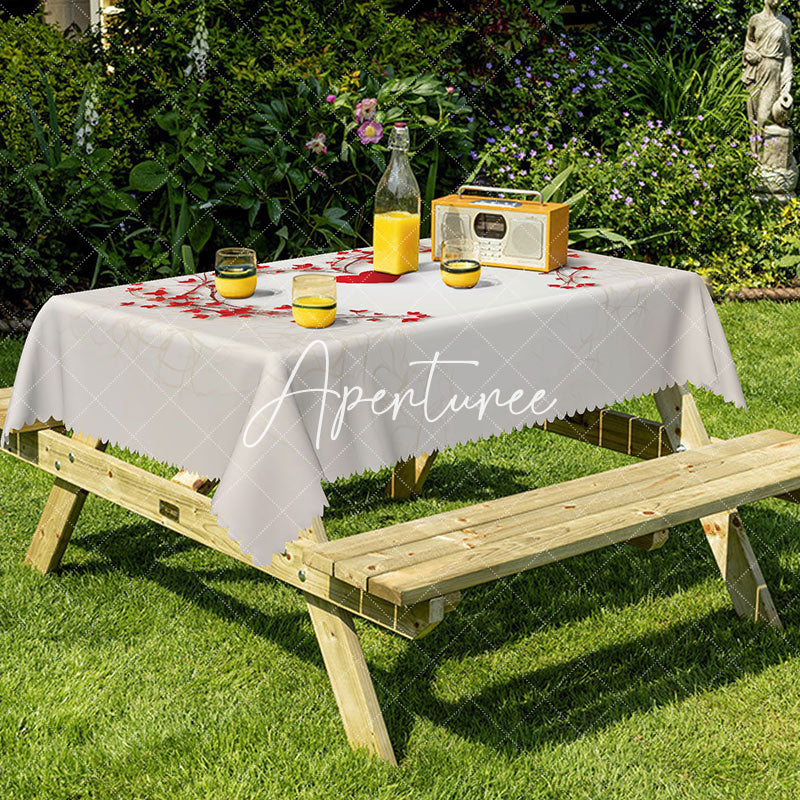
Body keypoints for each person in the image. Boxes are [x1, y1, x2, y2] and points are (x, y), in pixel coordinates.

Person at [742, 0, 793, 153]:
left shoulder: (784, 23)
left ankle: (767, 158)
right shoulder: (755, 20)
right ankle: (756, 159)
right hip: (755, 72)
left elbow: (787, 55)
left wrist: (787, 83)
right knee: (753, 118)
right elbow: (748, 44)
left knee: (764, 118)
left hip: (773, 72)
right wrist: (749, 54)